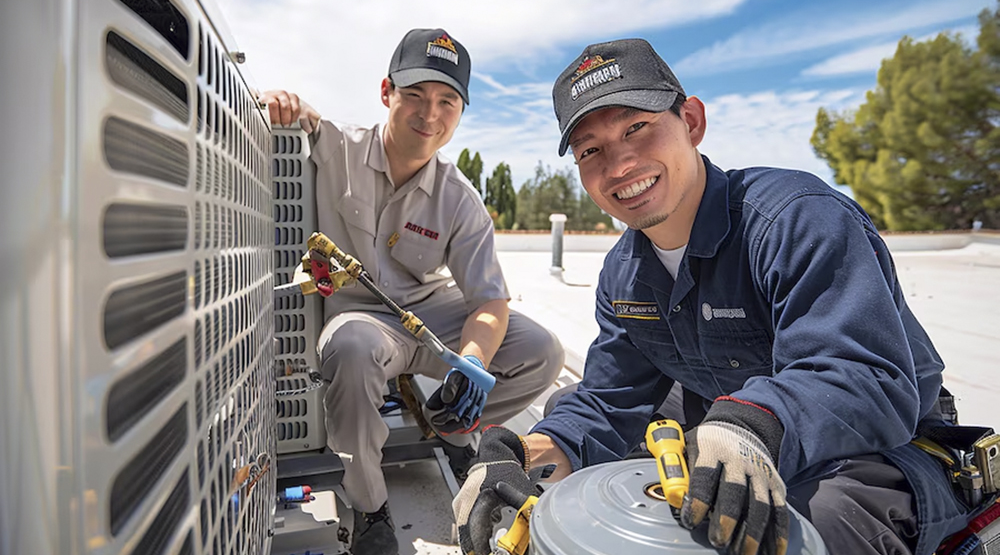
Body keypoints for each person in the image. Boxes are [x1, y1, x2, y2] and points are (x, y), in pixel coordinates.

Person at [452, 38, 981, 555]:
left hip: (881, 445)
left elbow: (871, 383)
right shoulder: (624, 272)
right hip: (731, 420)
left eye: (637, 127)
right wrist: (524, 452)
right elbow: (611, 400)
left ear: (693, 122)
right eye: (592, 150)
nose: (619, 166)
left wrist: (752, 422)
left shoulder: (797, 221)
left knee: (805, 524)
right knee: (568, 410)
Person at [261, 28, 563, 555]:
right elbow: (296, 114)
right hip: (359, 318)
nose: (431, 113)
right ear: (386, 93)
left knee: (542, 351)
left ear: (461, 112)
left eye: (448, 101)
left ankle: (456, 432)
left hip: (428, 317)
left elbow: (490, 300)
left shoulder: (459, 198)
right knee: (353, 349)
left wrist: (470, 363)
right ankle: (371, 507)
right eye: (415, 95)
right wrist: (276, 102)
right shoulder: (337, 147)